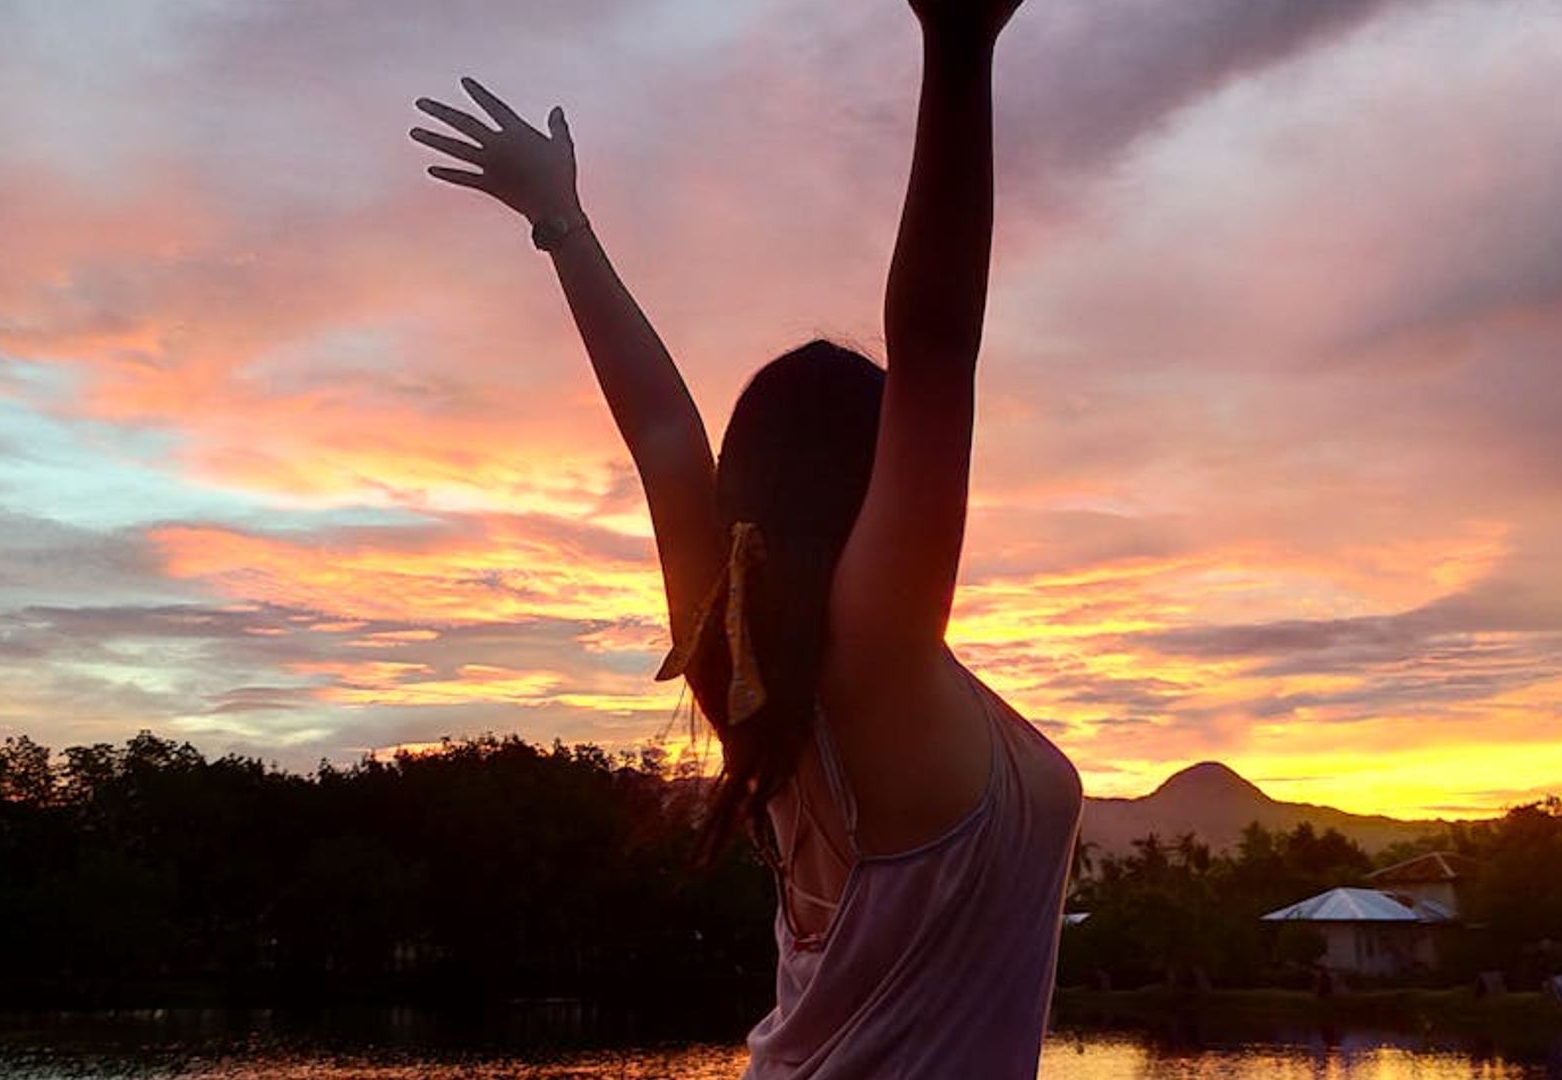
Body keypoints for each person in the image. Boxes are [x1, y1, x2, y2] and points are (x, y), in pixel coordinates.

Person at [410, 0, 1081, 1073]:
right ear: (876, 472)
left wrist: (561, 222)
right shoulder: (873, 662)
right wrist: (959, 48)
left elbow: (668, 437)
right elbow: (938, 344)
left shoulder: (753, 675)